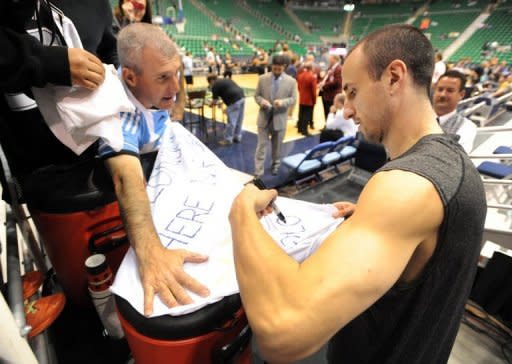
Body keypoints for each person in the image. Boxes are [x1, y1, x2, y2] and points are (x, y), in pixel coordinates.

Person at [229, 24, 486, 364]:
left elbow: (282, 332)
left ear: (394, 77)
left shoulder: (408, 186)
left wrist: (242, 211)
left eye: (352, 91)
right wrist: (366, 216)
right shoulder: (451, 163)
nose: (347, 110)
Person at [99, 23, 210, 316]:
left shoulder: (155, 91)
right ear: (130, 77)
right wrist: (151, 256)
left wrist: (177, 106)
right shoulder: (118, 113)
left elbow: (174, 88)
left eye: (176, 74)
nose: (174, 87)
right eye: (163, 78)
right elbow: (125, 178)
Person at [253, 55, 297, 176]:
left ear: (284, 67)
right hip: (264, 118)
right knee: (261, 146)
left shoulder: (291, 81)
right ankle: (258, 171)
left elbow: (293, 99)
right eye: (275, 68)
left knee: (277, 147)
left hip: (280, 120)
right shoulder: (262, 78)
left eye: (279, 69)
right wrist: (262, 102)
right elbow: (256, 95)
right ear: (271, 66)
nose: (277, 71)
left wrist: (282, 102)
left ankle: (275, 164)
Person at [433, 70, 477, 153]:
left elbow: (455, 160)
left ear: (461, 95)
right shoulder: (416, 116)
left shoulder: (467, 128)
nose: (442, 95)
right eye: (440, 89)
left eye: (450, 90)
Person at [206, 74, 245, 145]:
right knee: (239, 119)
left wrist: (210, 105)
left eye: (209, 83)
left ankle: (228, 139)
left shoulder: (215, 85)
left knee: (231, 121)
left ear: (211, 81)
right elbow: (226, 92)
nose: (210, 85)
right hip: (241, 97)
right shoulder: (225, 79)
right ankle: (237, 136)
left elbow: (214, 101)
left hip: (234, 100)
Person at [319, 54, 343, 122]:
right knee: (326, 111)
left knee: (332, 112)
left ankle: (331, 128)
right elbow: (326, 78)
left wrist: (324, 85)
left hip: (333, 95)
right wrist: (322, 82)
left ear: (335, 59)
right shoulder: (330, 68)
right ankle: (327, 126)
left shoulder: (339, 69)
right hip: (326, 94)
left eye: (330, 58)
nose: (329, 60)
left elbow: (337, 82)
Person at [296, 63, 317, 136]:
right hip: (309, 99)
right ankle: (304, 131)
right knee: (306, 115)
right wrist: (314, 100)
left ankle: (299, 128)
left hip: (302, 97)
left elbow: (298, 87)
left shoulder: (300, 76)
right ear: (312, 68)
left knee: (301, 113)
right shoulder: (312, 77)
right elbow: (313, 90)